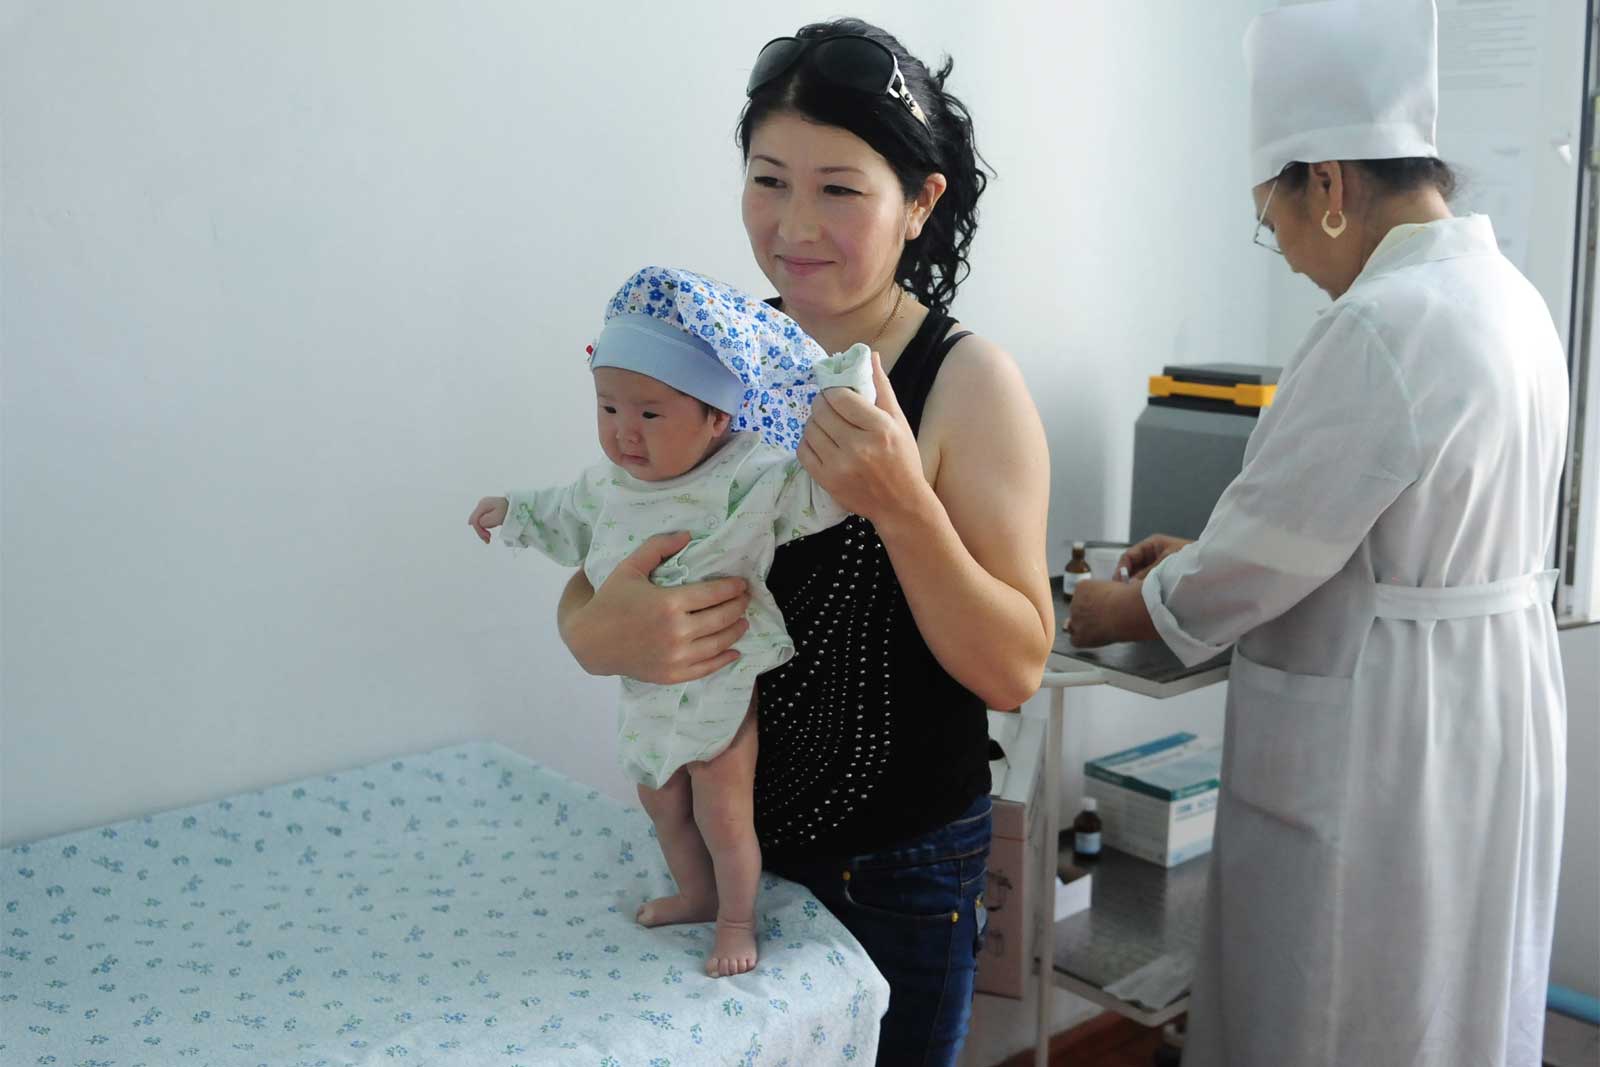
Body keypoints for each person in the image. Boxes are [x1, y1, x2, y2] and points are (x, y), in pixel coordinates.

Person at [1066, 3, 1569, 1064]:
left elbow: (1262, 562)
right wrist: (1200, 554)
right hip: (1489, 708)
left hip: (1387, 734)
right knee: (1454, 996)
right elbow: (1343, 525)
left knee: (1340, 1000)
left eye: (1274, 215)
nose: (1285, 249)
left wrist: (1128, 600)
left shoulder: (1379, 326)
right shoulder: (1510, 299)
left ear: (1327, 186)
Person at [555, 19, 1053, 1066]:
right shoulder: (711, 351)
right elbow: (605, 539)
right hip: (726, 848)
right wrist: (603, 632)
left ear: (921, 203)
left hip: (898, 871)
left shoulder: (966, 386)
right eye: (768, 180)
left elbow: (1013, 667)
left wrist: (902, 502)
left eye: (839, 189)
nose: (793, 224)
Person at [468, 265, 872, 978]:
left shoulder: (748, 477)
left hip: (720, 675)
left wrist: (846, 397)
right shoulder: (607, 485)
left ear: (718, 416)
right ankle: (693, 891)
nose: (625, 433)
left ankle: (737, 918)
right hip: (646, 684)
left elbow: (821, 497)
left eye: (650, 414)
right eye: (608, 409)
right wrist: (514, 513)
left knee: (723, 809)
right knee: (658, 798)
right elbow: (564, 516)